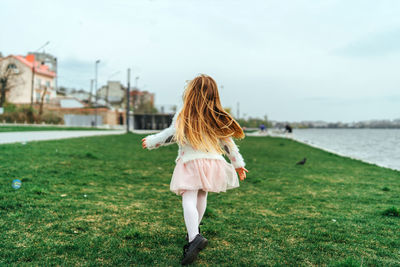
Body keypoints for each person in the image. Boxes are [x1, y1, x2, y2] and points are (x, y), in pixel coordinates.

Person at [141, 74, 248, 265]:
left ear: (190, 92)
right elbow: (228, 144)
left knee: (188, 198)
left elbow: (171, 135)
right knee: (201, 196)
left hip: (191, 161)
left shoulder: (184, 114)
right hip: (213, 163)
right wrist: (238, 165)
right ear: (214, 94)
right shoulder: (216, 115)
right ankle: (194, 233)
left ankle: (193, 239)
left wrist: (151, 142)